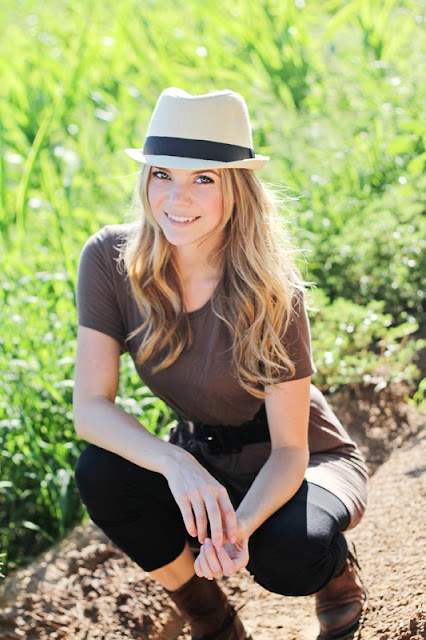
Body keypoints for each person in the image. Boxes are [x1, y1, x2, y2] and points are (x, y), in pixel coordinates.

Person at [73, 87, 368, 640]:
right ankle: (209, 616)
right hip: (202, 455)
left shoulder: (271, 287)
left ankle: (334, 575)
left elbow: (291, 449)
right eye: (162, 174)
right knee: (101, 473)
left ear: (236, 188)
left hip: (301, 460)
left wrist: (242, 528)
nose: (176, 197)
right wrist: (175, 463)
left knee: (287, 555)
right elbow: (90, 408)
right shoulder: (110, 261)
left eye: (203, 179)